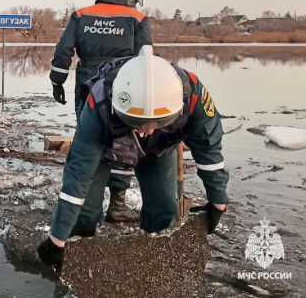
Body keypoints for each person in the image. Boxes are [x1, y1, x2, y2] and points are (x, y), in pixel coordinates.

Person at [38, 45, 229, 270]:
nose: (147, 130)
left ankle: (154, 263)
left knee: (164, 209)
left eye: (158, 122)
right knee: (86, 211)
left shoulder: (195, 95)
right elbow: (79, 176)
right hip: (108, 144)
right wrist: (57, 240)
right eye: (138, 123)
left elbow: (209, 152)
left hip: (161, 148)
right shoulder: (97, 104)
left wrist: (218, 201)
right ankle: (79, 258)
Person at [50, 0, 152, 223]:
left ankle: (84, 206)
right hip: (124, 83)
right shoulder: (138, 18)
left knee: (89, 138)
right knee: (124, 141)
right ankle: (117, 206)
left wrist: (57, 80)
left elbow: (64, 50)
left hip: (87, 82)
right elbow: (147, 60)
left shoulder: (81, 15)